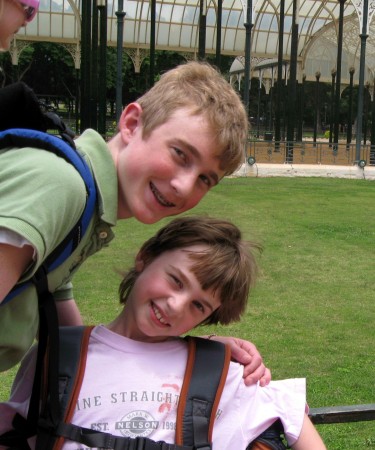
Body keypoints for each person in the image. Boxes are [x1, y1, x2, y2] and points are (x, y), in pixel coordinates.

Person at [0, 61, 270, 384]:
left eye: (204, 179)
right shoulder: (63, 187)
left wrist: (193, 356)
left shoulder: (86, 208)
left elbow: (79, 347)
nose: (184, 186)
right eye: (180, 154)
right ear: (131, 123)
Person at [0, 216, 326, 450]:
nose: (176, 305)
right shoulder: (54, 357)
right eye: (176, 280)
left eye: (198, 306)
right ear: (145, 257)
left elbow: (290, 414)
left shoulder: (222, 369)